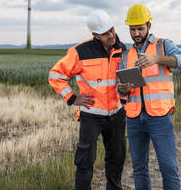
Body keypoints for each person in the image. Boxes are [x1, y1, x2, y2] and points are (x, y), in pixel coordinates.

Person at [117, 4, 181, 190]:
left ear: (149, 26)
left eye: (140, 28)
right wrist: (123, 90)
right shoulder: (126, 54)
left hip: (159, 116)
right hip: (134, 118)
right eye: (132, 29)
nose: (136, 33)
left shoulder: (163, 45)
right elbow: (119, 91)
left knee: (168, 167)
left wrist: (157, 59)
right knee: (139, 169)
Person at [48, 10, 127, 190]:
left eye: (112, 30)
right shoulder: (79, 52)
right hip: (91, 116)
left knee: (117, 159)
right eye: (105, 33)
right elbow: (55, 75)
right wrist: (72, 97)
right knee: (85, 161)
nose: (111, 35)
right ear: (95, 35)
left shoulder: (122, 49)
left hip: (117, 114)